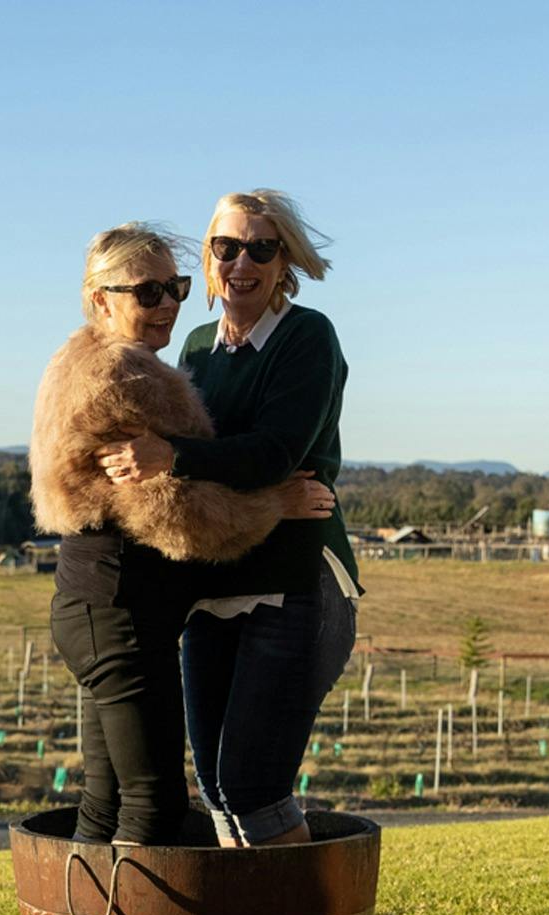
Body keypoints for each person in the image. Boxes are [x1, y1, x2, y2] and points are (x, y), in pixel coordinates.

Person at [30, 223, 333, 846]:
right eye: (148, 291)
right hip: (123, 610)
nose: (168, 302)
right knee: (153, 807)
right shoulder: (133, 377)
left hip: (95, 602)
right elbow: (185, 518)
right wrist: (276, 501)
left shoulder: (78, 359)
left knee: (106, 802)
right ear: (101, 299)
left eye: (175, 285)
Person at [94, 192, 359, 847]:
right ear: (209, 258)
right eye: (227, 247)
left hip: (294, 581)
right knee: (215, 790)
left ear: (284, 260)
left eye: (262, 248)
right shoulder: (196, 346)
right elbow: (233, 471)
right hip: (216, 581)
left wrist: (173, 457)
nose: (243, 262)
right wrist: (252, 490)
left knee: (253, 788)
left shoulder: (307, 336)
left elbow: (276, 453)